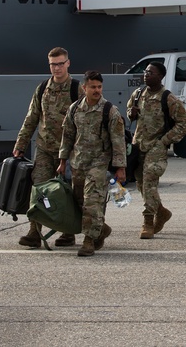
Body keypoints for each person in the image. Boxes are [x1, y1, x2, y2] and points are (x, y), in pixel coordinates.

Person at [12, 47, 78, 249]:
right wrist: (20, 144)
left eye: (60, 63)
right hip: (44, 148)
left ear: (68, 63)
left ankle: (68, 232)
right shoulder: (42, 88)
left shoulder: (77, 89)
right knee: (38, 188)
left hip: (68, 151)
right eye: (53, 64)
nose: (56, 68)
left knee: (67, 191)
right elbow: (31, 118)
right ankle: (34, 232)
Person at [56, 71, 127, 257]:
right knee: (79, 203)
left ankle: (88, 241)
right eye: (93, 87)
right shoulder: (74, 109)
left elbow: (118, 140)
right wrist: (62, 161)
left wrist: (120, 168)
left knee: (92, 203)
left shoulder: (109, 111)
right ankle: (101, 230)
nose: (97, 90)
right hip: (79, 163)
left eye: (99, 87)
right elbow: (68, 136)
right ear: (84, 88)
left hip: (100, 163)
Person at [126, 61, 186, 239]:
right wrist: (131, 113)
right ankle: (161, 211)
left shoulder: (168, 98)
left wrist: (165, 141)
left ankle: (148, 221)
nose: (146, 75)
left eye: (151, 73)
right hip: (139, 145)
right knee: (140, 184)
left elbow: (183, 123)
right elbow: (129, 112)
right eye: (146, 72)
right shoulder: (138, 94)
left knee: (148, 183)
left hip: (156, 147)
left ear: (160, 76)